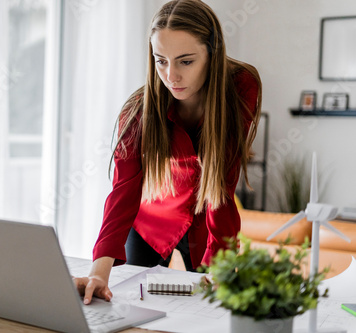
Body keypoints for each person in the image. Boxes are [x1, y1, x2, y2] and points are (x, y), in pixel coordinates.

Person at [74, 0, 262, 305]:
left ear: (212, 54)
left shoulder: (240, 87)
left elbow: (221, 182)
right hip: (150, 223)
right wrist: (98, 272)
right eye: (160, 60)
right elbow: (123, 192)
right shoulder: (137, 111)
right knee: (131, 307)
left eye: (186, 61)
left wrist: (221, 267)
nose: (170, 75)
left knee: (208, 311)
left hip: (205, 222)